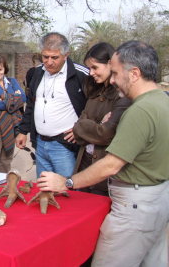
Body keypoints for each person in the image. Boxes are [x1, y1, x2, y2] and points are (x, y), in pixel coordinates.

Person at [37, 41, 169, 267]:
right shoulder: (162, 100)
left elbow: (111, 165)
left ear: (135, 73)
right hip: (158, 198)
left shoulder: (140, 110)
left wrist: (67, 181)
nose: (114, 79)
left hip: (134, 207)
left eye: (116, 73)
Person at [16, 32, 89, 178]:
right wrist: (23, 131)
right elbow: (31, 104)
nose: (49, 62)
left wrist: (82, 128)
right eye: (45, 57)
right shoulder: (38, 72)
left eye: (54, 57)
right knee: (44, 191)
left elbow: (96, 106)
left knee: (67, 192)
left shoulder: (80, 74)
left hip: (64, 146)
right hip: (41, 144)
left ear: (66, 55)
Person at [72, 43, 132, 196]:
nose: (91, 73)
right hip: (85, 165)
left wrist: (86, 127)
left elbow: (107, 133)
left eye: (95, 67)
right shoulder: (94, 91)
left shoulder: (122, 95)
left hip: (104, 176)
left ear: (110, 64)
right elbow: (78, 128)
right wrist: (96, 125)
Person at [0, 55, 26, 173]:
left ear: (5, 69)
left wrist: (5, 99)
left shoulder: (12, 81)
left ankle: (3, 183)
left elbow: (23, 98)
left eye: (0, 69)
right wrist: (14, 98)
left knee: (7, 157)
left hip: (11, 123)